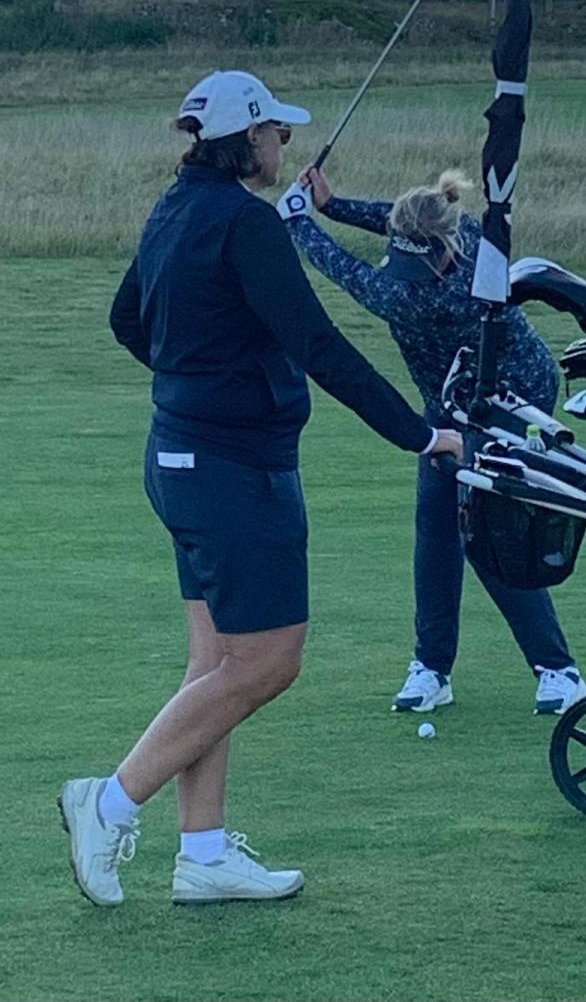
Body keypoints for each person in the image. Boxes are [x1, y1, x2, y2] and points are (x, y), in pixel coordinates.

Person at [58, 70, 461, 909]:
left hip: (180, 460)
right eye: (276, 131)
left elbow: (128, 320)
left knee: (216, 665)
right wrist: (420, 434)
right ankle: (108, 803)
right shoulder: (246, 223)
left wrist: (200, 373)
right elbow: (317, 344)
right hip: (233, 472)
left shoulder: (175, 208)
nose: (284, 142)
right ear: (247, 137)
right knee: (270, 661)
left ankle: (203, 855)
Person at [282, 165, 586, 717]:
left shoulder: (425, 297)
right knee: (435, 527)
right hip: (451, 402)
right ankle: (432, 667)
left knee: (487, 530)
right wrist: (331, 203)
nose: (409, 274)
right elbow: (397, 218)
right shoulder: (457, 225)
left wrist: (298, 222)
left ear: (448, 249)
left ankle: (559, 672)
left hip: (509, 404)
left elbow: (347, 271)